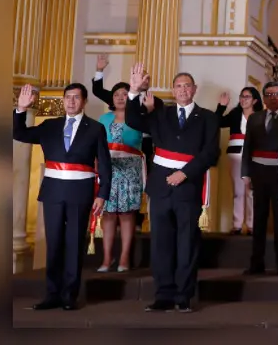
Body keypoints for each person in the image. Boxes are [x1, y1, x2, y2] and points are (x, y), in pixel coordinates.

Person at [126, 64, 219, 313]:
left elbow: (211, 152)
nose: (183, 90)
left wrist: (185, 173)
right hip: (160, 187)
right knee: (161, 243)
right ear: (172, 90)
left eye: (187, 85)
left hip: (188, 187)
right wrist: (134, 91)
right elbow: (133, 119)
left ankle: (183, 296)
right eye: (178, 86)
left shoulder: (208, 117)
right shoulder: (160, 114)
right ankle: (163, 294)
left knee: (187, 243)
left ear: (194, 90)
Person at [14, 83, 111, 310]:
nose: (71, 101)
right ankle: (52, 295)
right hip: (54, 192)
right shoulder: (50, 126)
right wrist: (20, 109)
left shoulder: (95, 128)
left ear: (84, 101)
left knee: (74, 244)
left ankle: (69, 296)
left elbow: (105, 165)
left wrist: (102, 194)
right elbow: (19, 133)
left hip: (81, 192)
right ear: (63, 100)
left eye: (76, 98)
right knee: (54, 243)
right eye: (68, 97)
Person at [241, 80, 278, 276]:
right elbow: (248, 146)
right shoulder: (255, 117)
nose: (272, 97)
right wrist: (245, 172)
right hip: (258, 171)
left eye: (276, 94)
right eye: (268, 94)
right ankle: (256, 263)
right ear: (263, 98)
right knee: (258, 219)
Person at [92, 54, 158, 231]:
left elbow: (158, 126)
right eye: (139, 76)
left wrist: (150, 111)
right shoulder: (122, 97)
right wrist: (99, 69)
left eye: (145, 77)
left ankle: (139, 221)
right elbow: (98, 91)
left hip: (142, 148)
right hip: (112, 155)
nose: (142, 79)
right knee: (111, 199)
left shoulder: (154, 100)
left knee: (143, 188)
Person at [96, 81, 144, 273]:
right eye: (116, 94)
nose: (120, 97)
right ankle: (107, 258)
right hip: (108, 169)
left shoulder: (138, 118)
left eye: (124, 94)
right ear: (112, 99)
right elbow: (97, 145)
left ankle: (124, 257)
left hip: (130, 169)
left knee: (126, 214)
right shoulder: (104, 118)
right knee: (107, 214)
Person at [216, 86, 263, 235]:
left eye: (247, 97)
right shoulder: (235, 114)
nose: (243, 99)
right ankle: (236, 224)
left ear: (255, 100)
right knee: (238, 191)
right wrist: (221, 106)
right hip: (236, 155)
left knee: (251, 191)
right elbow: (217, 122)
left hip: (254, 156)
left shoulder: (261, 116)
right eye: (242, 96)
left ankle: (251, 225)